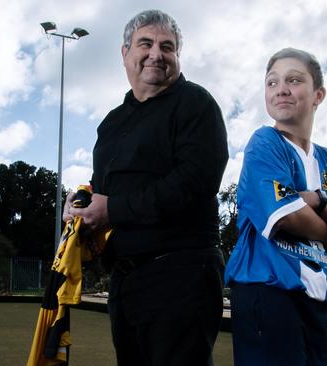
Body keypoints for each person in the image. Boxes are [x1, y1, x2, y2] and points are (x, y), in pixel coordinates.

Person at [65, 9, 229, 366]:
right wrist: (80, 203)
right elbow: (104, 187)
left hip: (182, 273)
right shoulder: (112, 123)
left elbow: (196, 182)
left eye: (167, 47)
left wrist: (112, 209)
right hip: (125, 279)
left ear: (177, 57)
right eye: (146, 43)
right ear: (125, 53)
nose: (156, 53)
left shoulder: (196, 104)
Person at [224, 48, 327, 366]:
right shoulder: (264, 143)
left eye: (294, 80)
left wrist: (319, 200)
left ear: (318, 95)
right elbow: (288, 216)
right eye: (272, 82)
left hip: (315, 297)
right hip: (267, 289)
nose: (282, 89)